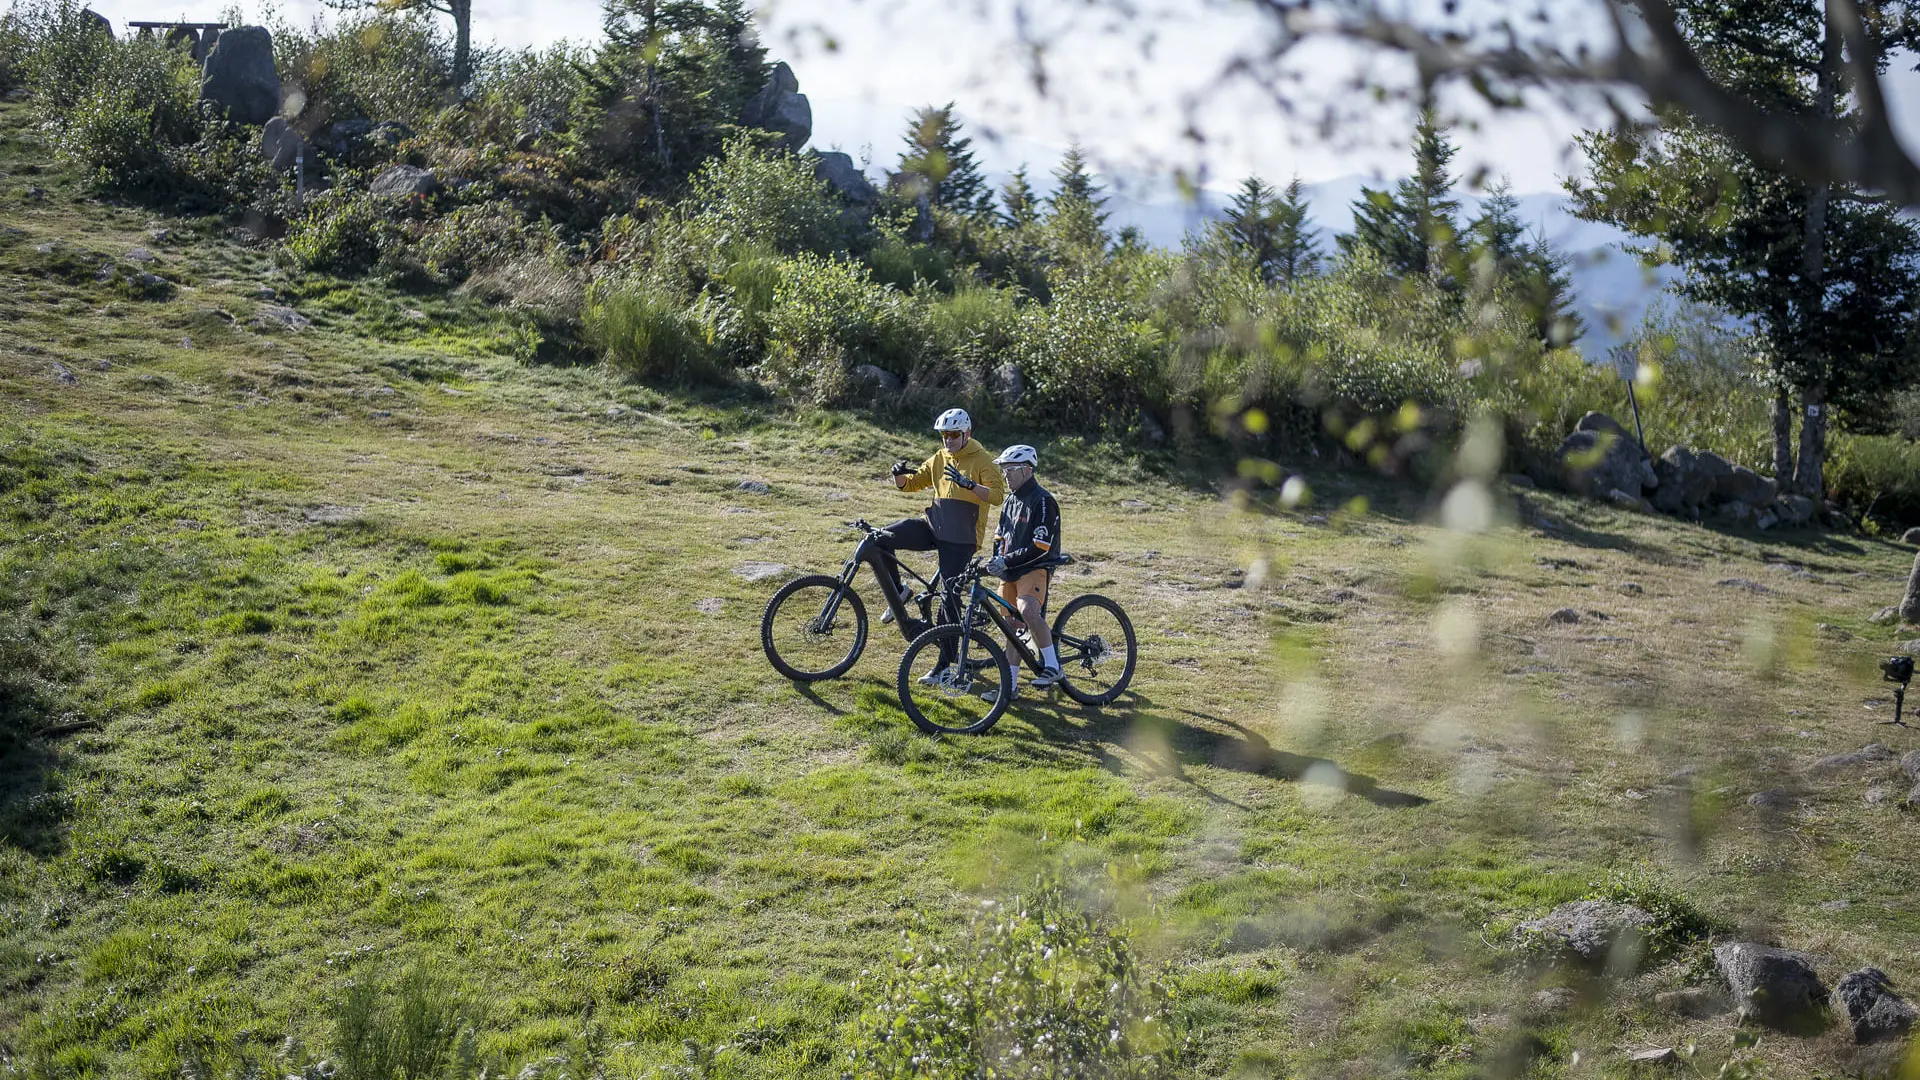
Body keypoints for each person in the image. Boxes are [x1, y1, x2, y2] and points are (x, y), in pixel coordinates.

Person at [874, 408, 1005, 677]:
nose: (948, 439)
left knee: (949, 598)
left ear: (967, 433)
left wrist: (970, 486)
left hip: (962, 537)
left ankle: (946, 665)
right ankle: (899, 591)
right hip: (936, 526)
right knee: (881, 538)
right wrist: (897, 474)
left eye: (954, 434)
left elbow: (997, 496)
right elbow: (910, 484)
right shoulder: (939, 458)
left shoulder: (983, 461)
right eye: (944, 435)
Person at [980, 444, 1063, 701]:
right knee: (1012, 626)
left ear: (1027, 470)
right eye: (1003, 470)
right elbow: (999, 536)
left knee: (1027, 611)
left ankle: (1053, 665)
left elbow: (1040, 546)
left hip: (1035, 567)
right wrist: (996, 559)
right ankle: (1010, 687)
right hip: (1010, 570)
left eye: (1009, 470)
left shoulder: (1044, 501)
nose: (1005, 475)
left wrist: (1006, 560)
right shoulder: (1011, 500)